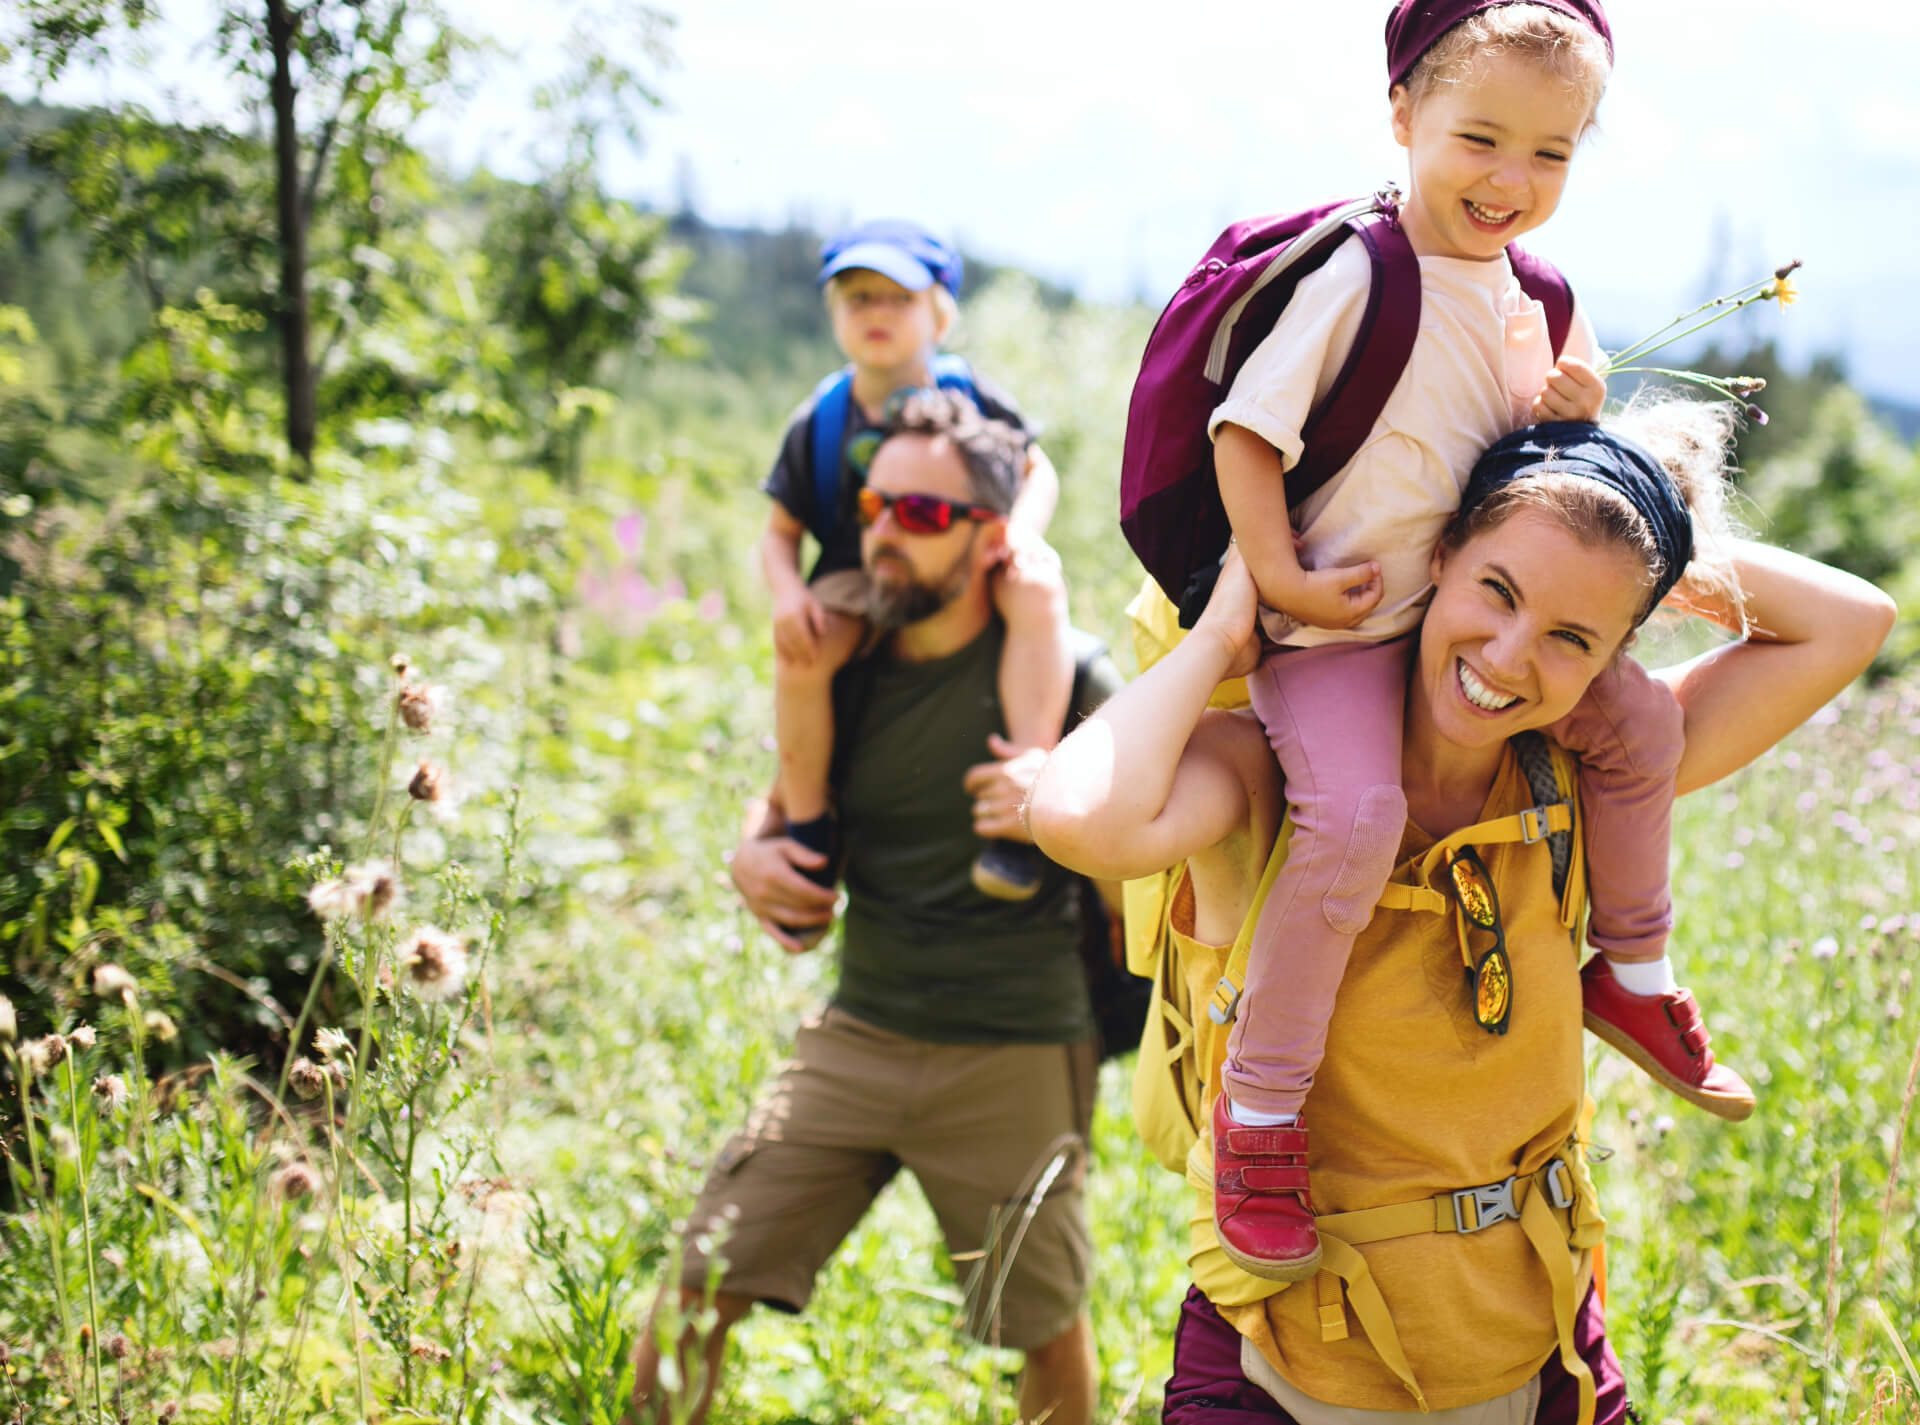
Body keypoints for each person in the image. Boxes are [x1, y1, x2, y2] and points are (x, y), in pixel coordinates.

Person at [1028, 404, 1895, 1422]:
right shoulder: (1267, 775)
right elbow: (1079, 818)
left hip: (1543, 1359)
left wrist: (1629, 518)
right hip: (1282, 1366)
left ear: (1612, 655)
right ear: (1434, 554)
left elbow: (1853, 621)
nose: (1512, 657)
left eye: (1573, 636)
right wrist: (1225, 629)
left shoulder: (1585, 777)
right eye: (1498, 588)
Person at [1187, 0, 1748, 1283]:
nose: (1511, 180)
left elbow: (1572, 427)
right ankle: (1261, 1111)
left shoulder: (1537, 290)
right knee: (1354, 816)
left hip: (1461, 620)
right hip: (1337, 631)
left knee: (1641, 723)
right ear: (1403, 118)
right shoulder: (1357, 272)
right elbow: (1247, 429)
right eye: (1480, 140)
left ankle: (1636, 968)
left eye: (1550, 155)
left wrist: (1579, 400)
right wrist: (1276, 578)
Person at [628, 391, 1117, 1425]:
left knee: (1045, 1326)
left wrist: (1064, 822)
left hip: (1017, 1044)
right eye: (874, 506)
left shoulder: (1069, 679)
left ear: (992, 537)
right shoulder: (848, 666)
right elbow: (777, 815)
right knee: (692, 1290)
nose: (886, 532)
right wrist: (747, 861)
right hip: (860, 1031)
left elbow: (1150, 863)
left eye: (924, 515)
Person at [758, 218, 1073, 909]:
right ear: (833, 312)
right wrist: (787, 594)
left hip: (963, 556)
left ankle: (1021, 795)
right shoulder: (820, 419)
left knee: (1037, 589)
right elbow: (779, 533)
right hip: (856, 570)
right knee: (802, 655)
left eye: (897, 298)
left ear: (940, 314)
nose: (876, 314)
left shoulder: (973, 396)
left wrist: (1019, 533)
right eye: (856, 298)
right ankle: (809, 830)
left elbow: (1035, 469)